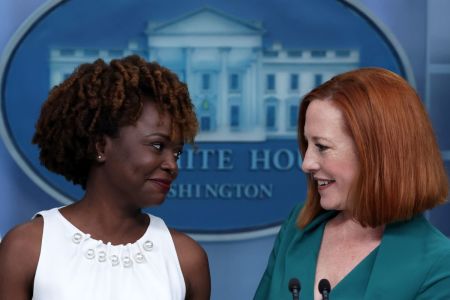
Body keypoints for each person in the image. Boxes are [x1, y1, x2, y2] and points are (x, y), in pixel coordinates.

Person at [0, 55, 210, 300]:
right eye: (157, 146)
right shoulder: (27, 247)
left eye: (177, 152)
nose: (172, 165)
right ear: (101, 145)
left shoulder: (186, 259)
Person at [254, 67, 450, 300]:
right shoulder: (297, 228)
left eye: (322, 147)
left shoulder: (439, 266)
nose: (306, 164)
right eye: (307, 145)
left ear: (378, 153)